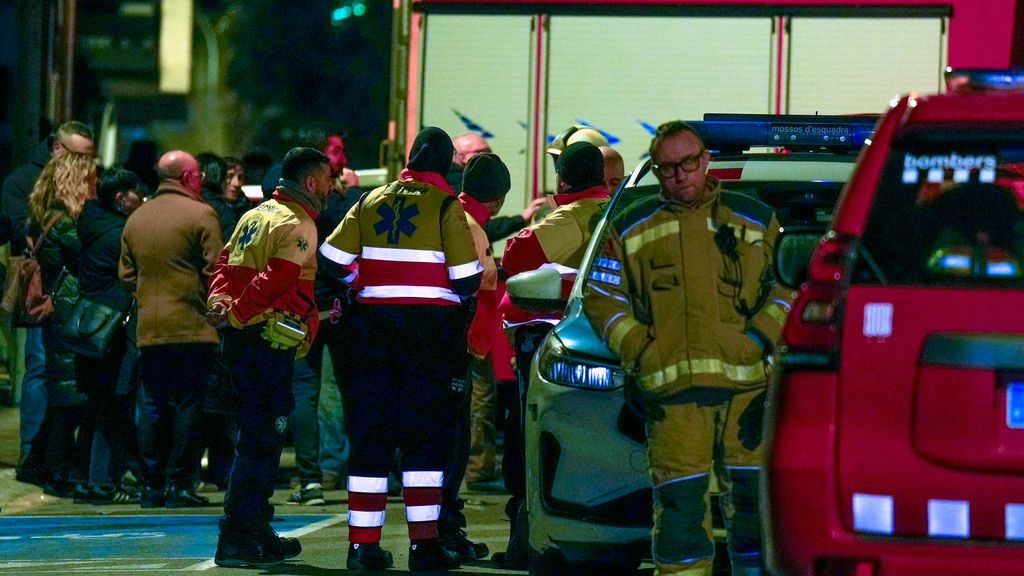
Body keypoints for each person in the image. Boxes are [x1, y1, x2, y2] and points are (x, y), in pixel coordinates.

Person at [582, 121, 792, 576]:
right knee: (678, 518)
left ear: (706, 161)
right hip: (673, 400)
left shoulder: (754, 218)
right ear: (656, 171)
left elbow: (785, 287)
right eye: (668, 168)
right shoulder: (629, 225)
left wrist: (757, 339)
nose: (680, 176)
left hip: (746, 394)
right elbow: (602, 297)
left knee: (754, 515)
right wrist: (640, 348)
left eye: (688, 163)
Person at [320, 126, 481, 572]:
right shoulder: (446, 205)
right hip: (429, 338)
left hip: (370, 334)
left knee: (369, 440)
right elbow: (467, 278)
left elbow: (332, 260)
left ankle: (361, 547)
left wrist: (362, 283)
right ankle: (424, 546)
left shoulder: (371, 199)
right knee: (424, 443)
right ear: (446, 164)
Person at [206, 147, 331, 567]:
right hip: (264, 341)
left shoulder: (254, 214)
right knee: (263, 439)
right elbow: (276, 280)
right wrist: (239, 316)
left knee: (255, 435)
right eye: (328, 178)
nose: (332, 186)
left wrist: (221, 305)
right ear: (311, 182)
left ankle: (256, 529)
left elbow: (224, 263)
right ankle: (238, 537)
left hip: (244, 341)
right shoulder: (299, 224)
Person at [494, 141, 611, 569]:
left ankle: (528, 542)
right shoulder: (614, 210)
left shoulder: (572, 216)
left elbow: (516, 256)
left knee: (527, 436)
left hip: (549, 338)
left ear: (563, 179)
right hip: (599, 343)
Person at [120, 150, 222, 510]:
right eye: (198, 175)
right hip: (193, 327)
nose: (202, 181)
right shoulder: (201, 214)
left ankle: (151, 485)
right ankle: (180, 483)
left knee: (151, 405)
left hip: (149, 328)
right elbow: (216, 272)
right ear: (186, 178)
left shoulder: (136, 219)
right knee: (189, 406)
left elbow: (126, 276)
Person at [5, 121, 94, 485]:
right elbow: (15, 226)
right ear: (59, 149)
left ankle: (40, 457)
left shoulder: (43, 187)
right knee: (47, 373)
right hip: (54, 298)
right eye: (81, 157)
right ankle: (39, 456)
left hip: (58, 297)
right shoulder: (30, 183)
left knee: (54, 377)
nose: (89, 166)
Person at [439, 153, 513, 561]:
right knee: (453, 444)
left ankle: (433, 530)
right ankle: (447, 531)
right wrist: (477, 353)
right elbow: (484, 303)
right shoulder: (474, 231)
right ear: (499, 201)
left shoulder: (441, 213)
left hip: (422, 343)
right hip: (456, 351)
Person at [26, 149, 96, 497]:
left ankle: (37, 463)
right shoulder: (66, 223)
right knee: (70, 399)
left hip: (60, 311)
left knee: (63, 395)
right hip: (69, 311)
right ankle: (55, 471)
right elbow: (88, 252)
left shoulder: (43, 214)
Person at [74, 168, 144, 504]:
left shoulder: (90, 222)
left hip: (91, 325)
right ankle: (103, 482)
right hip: (115, 327)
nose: (140, 197)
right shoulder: (120, 233)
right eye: (134, 192)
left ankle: (86, 478)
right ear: (120, 198)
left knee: (95, 405)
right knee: (114, 406)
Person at [446, 131, 546, 242]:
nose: (488, 156)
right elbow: (481, 228)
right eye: (482, 152)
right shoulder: (460, 187)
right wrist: (520, 219)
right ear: (463, 156)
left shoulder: (452, 181)